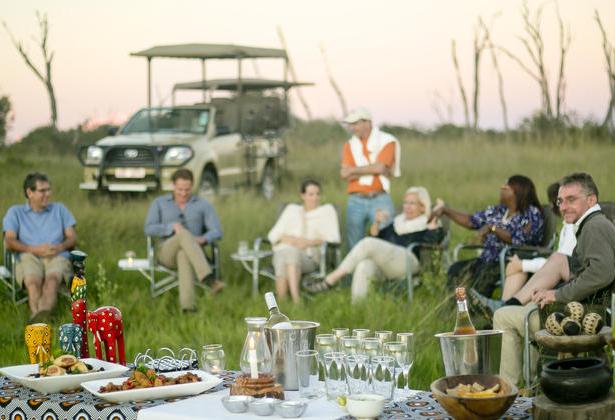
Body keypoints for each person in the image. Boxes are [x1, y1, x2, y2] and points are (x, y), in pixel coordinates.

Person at [493, 172, 615, 387]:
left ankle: (509, 390)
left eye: (571, 199)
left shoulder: (594, 227)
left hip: (585, 319)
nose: (563, 206)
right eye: (560, 201)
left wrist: (558, 294)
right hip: (584, 310)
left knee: (503, 316)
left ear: (591, 200)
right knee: (528, 304)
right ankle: (530, 386)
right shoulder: (593, 224)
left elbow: (602, 273)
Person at [306, 186, 444, 302]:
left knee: (368, 243)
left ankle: (330, 280)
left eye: (412, 203)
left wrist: (433, 228)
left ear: (422, 207)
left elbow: (432, 246)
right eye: (405, 202)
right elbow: (375, 240)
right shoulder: (398, 222)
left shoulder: (428, 222)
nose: (407, 207)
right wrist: (376, 224)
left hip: (410, 263)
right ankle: (358, 310)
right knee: (364, 265)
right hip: (389, 265)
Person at [431, 175, 544, 299]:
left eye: (505, 187)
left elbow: (520, 239)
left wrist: (493, 228)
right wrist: (446, 211)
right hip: (487, 259)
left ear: (517, 192)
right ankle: (455, 307)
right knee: (456, 270)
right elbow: (471, 221)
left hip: (508, 260)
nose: (501, 189)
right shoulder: (498, 211)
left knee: (482, 278)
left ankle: (476, 311)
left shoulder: (531, 214)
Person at [471, 182, 576, 315]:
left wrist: (522, 264)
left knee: (518, 265)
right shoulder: (568, 225)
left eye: (568, 201)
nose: (561, 206)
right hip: (559, 269)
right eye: (559, 201)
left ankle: (502, 311)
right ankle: (501, 313)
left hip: (568, 279)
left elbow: (561, 263)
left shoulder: (573, 227)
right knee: (517, 264)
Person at [144, 169, 224, 312]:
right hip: (166, 253)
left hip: (193, 253)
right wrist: (171, 227)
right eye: (180, 189)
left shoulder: (203, 205)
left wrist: (204, 238)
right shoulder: (159, 203)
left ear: (192, 185)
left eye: (187, 189)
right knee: (183, 234)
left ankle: (188, 309)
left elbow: (217, 231)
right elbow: (148, 228)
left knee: (184, 253)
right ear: (173, 185)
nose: (183, 193)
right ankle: (210, 280)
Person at [3, 172, 77, 321]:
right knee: (32, 281)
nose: (48, 194)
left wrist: (60, 247)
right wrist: (34, 249)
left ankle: (39, 317)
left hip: (56, 255)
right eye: (42, 191)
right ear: (30, 193)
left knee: (52, 280)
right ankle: (40, 318)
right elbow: (9, 240)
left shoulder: (59, 209)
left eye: (49, 190)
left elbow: (72, 237)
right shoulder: (15, 212)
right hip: (28, 255)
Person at [267, 180, 340, 304]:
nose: (315, 198)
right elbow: (273, 235)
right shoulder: (292, 210)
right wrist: (288, 239)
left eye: (318, 194)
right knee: (286, 254)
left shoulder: (327, 211)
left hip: (310, 257)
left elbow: (334, 238)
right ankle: (288, 301)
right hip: (285, 250)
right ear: (302, 195)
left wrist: (309, 242)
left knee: (289, 254)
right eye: (311, 194)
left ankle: (290, 302)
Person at [340, 107, 400, 250]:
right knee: (354, 243)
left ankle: (384, 272)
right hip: (355, 199)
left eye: (355, 124)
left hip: (380, 197)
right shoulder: (349, 145)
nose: (352, 128)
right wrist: (373, 168)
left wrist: (354, 170)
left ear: (367, 123)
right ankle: (355, 273)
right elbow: (344, 174)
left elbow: (380, 168)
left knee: (386, 238)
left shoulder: (387, 141)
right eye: (351, 124)